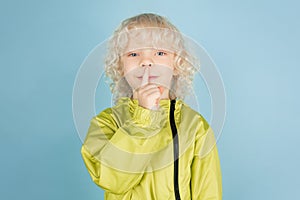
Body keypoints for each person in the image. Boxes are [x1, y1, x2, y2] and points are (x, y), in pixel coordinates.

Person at [81, 13, 222, 200]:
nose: (146, 61)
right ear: (120, 66)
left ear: (177, 63)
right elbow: (112, 181)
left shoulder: (196, 127)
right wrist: (144, 116)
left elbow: (208, 193)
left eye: (160, 52)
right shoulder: (105, 123)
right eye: (133, 54)